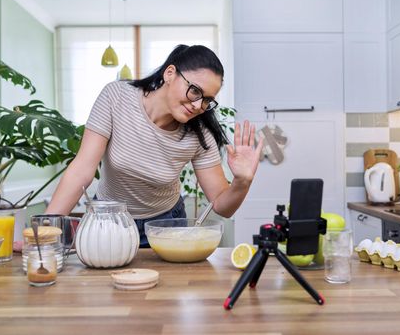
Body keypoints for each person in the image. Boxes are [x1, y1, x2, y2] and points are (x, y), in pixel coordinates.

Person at [45, 44, 263, 247]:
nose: (198, 105)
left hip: (165, 226)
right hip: (109, 222)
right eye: (195, 90)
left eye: (207, 100)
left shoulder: (199, 133)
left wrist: (242, 182)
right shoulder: (116, 97)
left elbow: (222, 205)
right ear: (170, 73)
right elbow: (82, 170)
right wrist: (44, 231)